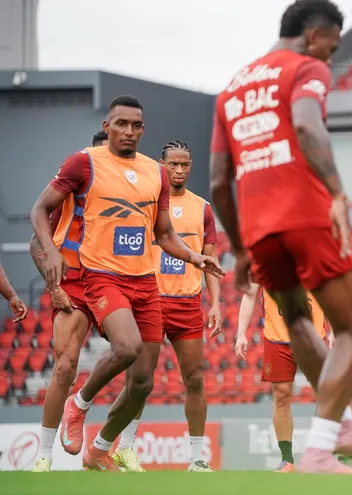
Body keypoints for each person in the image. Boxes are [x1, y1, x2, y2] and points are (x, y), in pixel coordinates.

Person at [209, 0, 352, 474]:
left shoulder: (231, 88)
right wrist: (337, 192)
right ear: (314, 35)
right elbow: (305, 123)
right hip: (306, 216)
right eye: (332, 48)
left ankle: (342, 424)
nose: (330, 59)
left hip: (259, 229)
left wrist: (240, 247)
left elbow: (218, 182)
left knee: (297, 318)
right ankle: (319, 450)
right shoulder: (305, 68)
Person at [31, 95, 223, 471]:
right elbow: (39, 212)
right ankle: (61, 430)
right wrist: (51, 258)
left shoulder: (154, 173)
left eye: (136, 125)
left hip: (145, 281)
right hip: (97, 275)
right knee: (109, 352)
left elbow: (164, 233)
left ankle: (101, 449)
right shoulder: (83, 163)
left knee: (142, 383)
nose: (129, 131)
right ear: (107, 126)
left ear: (143, 130)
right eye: (121, 124)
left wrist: (194, 257)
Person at [106, 140, 221, 472]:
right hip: (150, 300)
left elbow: (210, 261)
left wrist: (215, 303)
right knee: (141, 379)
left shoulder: (203, 208)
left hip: (187, 304)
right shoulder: (146, 203)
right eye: (173, 164)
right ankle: (125, 448)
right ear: (162, 165)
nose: (179, 170)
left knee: (195, 379)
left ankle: (197, 458)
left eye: (185, 165)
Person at [29, 131, 106, 472]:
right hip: (74, 284)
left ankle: (110, 445)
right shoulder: (72, 187)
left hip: (116, 280)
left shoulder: (132, 188)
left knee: (137, 357)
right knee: (64, 367)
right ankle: (44, 455)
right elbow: (37, 244)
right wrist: (54, 287)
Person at [237, 283, 327, 473]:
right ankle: (287, 460)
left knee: (326, 394)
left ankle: (323, 454)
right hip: (277, 339)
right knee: (281, 395)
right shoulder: (263, 264)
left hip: (313, 336)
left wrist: (334, 330)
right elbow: (250, 294)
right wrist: (240, 334)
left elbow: (331, 292)